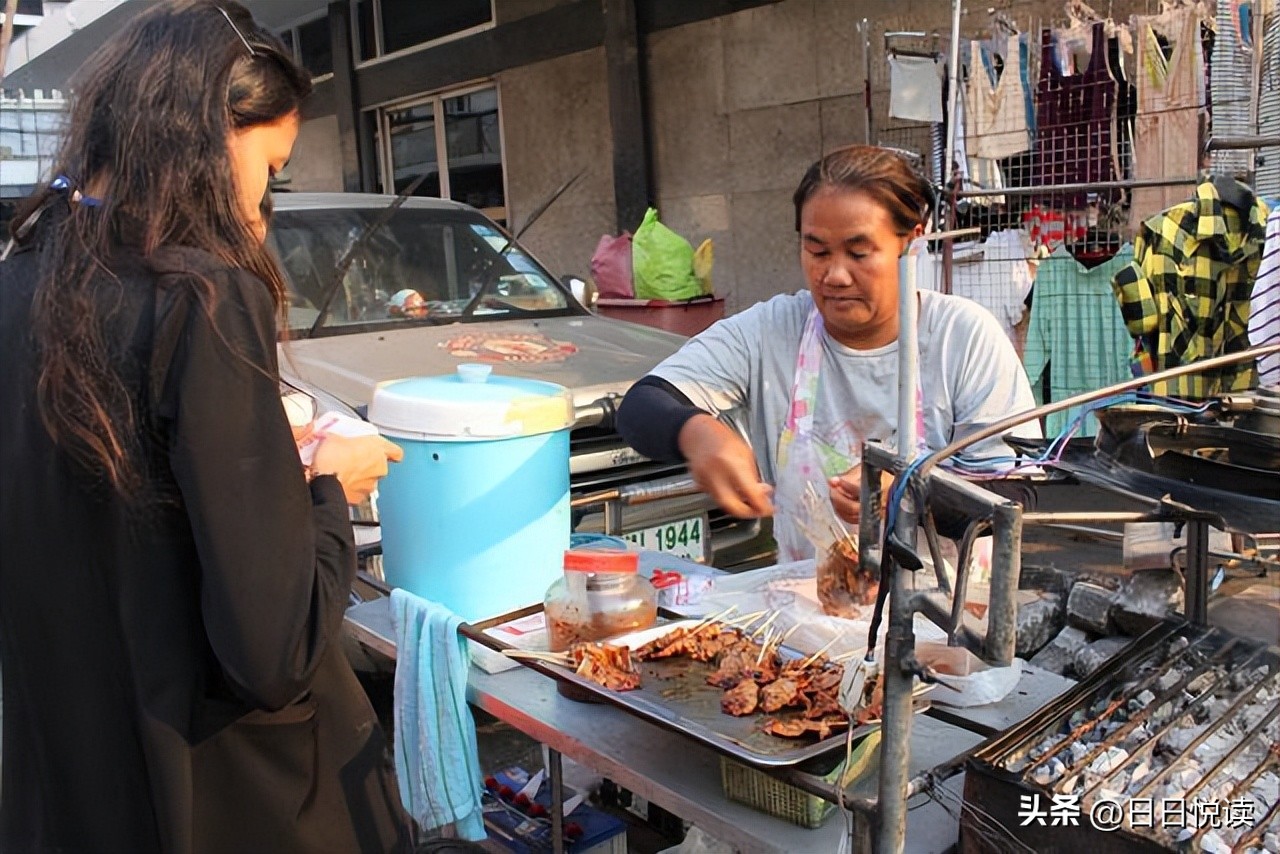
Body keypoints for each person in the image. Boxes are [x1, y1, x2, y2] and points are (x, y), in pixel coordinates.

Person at [0, 3, 412, 852]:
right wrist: (331, 488)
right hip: (220, 794)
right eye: (271, 166)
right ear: (206, 137)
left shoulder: (19, 283)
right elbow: (272, 652)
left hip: (68, 779)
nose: (265, 200)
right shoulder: (203, 297)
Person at [617, 145, 1040, 562]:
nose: (835, 275)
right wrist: (697, 433)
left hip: (942, 616)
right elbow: (644, 403)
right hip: (809, 611)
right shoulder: (772, 330)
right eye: (817, 251)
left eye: (859, 253)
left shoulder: (962, 338)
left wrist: (913, 489)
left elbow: (1018, 495)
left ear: (911, 242)